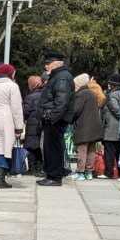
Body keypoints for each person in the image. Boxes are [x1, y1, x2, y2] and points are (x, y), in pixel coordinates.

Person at [34, 52, 74, 186]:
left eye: (48, 63)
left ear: (56, 63)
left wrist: (52, 117)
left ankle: (55, 176)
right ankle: (51, 174)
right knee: (50, 147)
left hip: (55, 119)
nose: (46, 66)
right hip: (52, 118)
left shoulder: (62, 77)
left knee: (53, 148)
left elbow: (61, 101)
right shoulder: (58, 76)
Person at [69, 73, 103, 181]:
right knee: (91, 150)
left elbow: (75, 110)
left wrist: (69, 117)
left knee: (82, 150)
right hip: (94, 126)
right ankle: (89, 172)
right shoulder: (91, 93)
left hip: (84, 127)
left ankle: (80, 172)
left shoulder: (81, 94)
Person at [101, 74, 120, 180]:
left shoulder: (112, 95)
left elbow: (117, 111)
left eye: (109, 84)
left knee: (109, 152)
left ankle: (108, 172)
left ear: (112, 84)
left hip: (111, 128)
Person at [22, 75, 46, 177]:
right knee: (40, 148)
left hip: (32, 125)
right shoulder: (46, 94)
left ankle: (32, 169)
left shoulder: (30, 97)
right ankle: (41, 168)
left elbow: (25, 112)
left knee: (31, 148)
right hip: (43, 124)